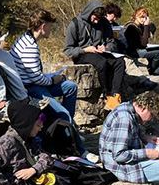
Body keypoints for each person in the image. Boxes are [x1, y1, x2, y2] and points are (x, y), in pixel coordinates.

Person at [10, 9, 98, 162]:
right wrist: (52, 80)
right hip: (32, 89)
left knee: (70, 87)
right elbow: (35, 78)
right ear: (43, 26)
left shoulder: (25, 39)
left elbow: (33, 73)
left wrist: (51, 77)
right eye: (50, 26)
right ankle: (81, 150)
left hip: (35, 83)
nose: (51, 30)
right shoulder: (30, 47)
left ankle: (68, 129)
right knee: (63, 112)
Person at [63, 0, 126, 110]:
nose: (96, 22)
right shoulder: (75, 24)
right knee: (102, 63)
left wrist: (107, 48)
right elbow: (68, 50)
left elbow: (111, 42)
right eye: (95, 18)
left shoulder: (104, 23)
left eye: (99, 19)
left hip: (100, 52)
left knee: (120, 62)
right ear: (89, 13)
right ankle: (107, 94)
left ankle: (116, 96)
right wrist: (84, 50)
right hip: (82, 54)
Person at [123, 7, 159, 76]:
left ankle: (155, 71)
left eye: (145, 18)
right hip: (134, 51)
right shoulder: (131, 27)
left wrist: (147, 26)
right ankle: (155, 73)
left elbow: (149, 34)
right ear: (136, 16)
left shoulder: (140, 27)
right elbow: (143, 43)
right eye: (141, 17)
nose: (143, 20)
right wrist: (146, 26)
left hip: (139, 49)